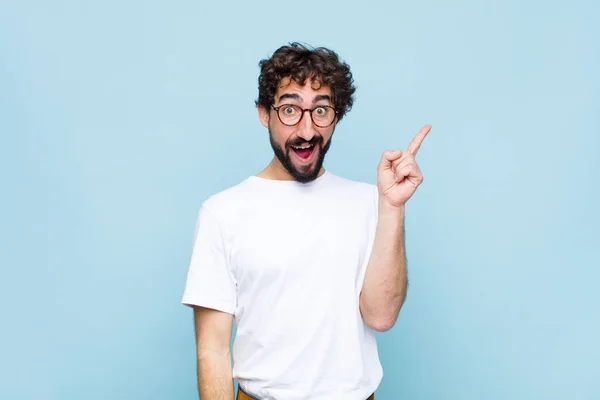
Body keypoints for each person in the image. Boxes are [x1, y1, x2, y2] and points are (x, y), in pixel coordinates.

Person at [181, 42, 431, 400]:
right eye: (289, 110)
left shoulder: (368, 201)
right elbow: (213, 351)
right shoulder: (222, 213)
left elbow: (381, 316)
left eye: (321, 110)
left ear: (337, 116)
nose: (307, 128)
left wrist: (392, 206)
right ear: (264, 114)